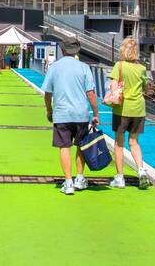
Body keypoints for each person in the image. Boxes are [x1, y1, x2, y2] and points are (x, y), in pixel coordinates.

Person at [41, 38, 99, 195]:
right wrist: (96, 113)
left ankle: (68, 182)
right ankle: (80, 178)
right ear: (77, 51)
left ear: (63, 50)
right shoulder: (84, 67)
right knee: (81, 146)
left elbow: (47, 93)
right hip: (81, 114)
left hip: (61, 114)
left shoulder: (55, 67)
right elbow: (91, 94)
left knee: (64, 147)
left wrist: (49, 110)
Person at [108, 37, 149, 190]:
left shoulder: (119, 66)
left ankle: (120, 178)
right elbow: (146, 88)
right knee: (134, 142)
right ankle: (141, 170)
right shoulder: (141, 68)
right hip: (138, 109)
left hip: (122, 109)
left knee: (119, 143)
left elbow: (113, 87)